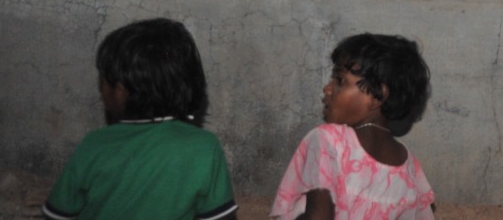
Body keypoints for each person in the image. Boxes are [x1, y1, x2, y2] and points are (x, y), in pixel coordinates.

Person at [42, 18, 236, 220]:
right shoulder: (204, 147)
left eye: (103, 80)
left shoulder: (95, 144)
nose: (101, 91)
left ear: (120, 91)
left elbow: (56, 214)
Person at [270, 33, 435, 219]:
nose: (328, 88)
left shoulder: (329, 141)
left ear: (377, 95)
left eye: (340, 81)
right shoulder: (409, 165)